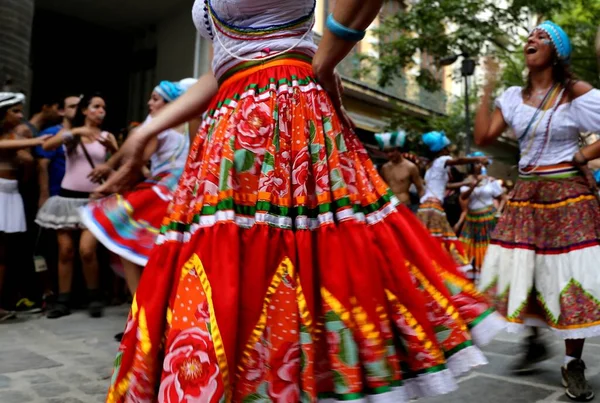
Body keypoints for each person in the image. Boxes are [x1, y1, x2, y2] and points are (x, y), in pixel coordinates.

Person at [98, 2, 503, 401]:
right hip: (226, 129)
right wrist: (145, 131)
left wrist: (322, 65)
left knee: (291, 265)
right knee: (221, 275)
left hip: (286, 113)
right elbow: (220, 70)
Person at [475, 21, 600, 401]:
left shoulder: (573, 92)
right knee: (525, 274)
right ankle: (533, 339)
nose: (530, 40)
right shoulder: (512, 96)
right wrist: (487, 86)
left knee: (569, 276)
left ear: (557, 52)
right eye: (528, 36)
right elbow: (483, 138)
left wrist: (582, 154)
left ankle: (573, 363)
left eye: (541, 36)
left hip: (568, 197)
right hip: (526, 197)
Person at [80, 79, 196, 340]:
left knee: (132, 249)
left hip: (162, 193)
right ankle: (154, 318)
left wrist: (104, 188)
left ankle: (143, 317)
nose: (150, 103)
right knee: (156, 257)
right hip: (184, 195)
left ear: (170, 104)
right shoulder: (188, 126)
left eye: (156, 99)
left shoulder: (161, 127)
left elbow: (134, 163)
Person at [36, 93, 118, 319]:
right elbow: (48, 145)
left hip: (93, 200)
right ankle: (63, 300)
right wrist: (76, 132)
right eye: (96, 106)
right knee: (65, 251)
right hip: (67, 199)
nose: (101, 111)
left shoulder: (107, 136)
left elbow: (119, 165)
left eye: (103, 107)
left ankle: (94, 296)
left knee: (87, 250)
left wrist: (113, 148)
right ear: (84, 110)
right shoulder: (73, 135)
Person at [0, 92, 49, 321]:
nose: (21, 116)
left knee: (4, 252)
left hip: (12, 192)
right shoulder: (10, 137)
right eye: (16, 111)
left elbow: (27, 161)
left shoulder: (15, 135)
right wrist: (39, 141)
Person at [418, 131, 489, 278]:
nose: (449, 150)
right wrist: (478, 158)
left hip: (424, 208)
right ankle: (441, 272)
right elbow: (459, 160)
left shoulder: (429, 167)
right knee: (445, 241)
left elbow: (446, 186)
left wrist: (465, 183)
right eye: (447, 147)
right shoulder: (442, 160)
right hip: (434, 208)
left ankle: (426, 271)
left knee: (425, 240)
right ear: (442, 149)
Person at [457, 152, 506, 282]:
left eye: (480, 163)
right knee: (468, 247)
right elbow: (463, 197)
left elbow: (502, 198)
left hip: (488, 218)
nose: (477, 166)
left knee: (487, 246)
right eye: (475, 163)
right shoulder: (466, 182)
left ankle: (486, 273)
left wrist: (498, 211)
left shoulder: (491, 181)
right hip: (472, 219)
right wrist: (474, 183)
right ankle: (470, 274)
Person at [378, 131, 424, 213]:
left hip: (404, 206)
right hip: (388, 207)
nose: (389, 154)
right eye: (386, 152)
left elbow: (420, 188)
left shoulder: (411, 167)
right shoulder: (384, 168)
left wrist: (422, 207)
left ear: (399, 150)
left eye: (392, 151)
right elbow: (381, 188)